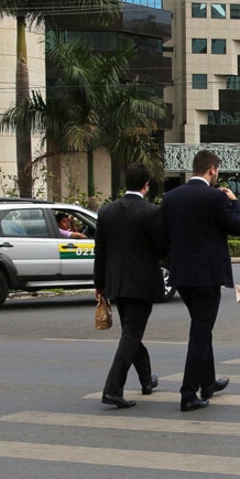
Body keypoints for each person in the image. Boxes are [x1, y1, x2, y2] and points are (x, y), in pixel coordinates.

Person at [160, 150, 240, 411]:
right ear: (212, 170)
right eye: (217, 170)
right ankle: (188, 392)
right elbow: (237, 227)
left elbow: (162, 235)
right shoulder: (215, 197)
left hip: (182, 276)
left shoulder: (170, 198)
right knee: (200, 331)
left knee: (201, 326)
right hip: (207, 276)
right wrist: (235, 202)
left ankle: (208, 382)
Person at [93, 163, 164, 409]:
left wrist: (99, 285)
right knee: (132, 334)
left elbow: (99, 253)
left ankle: (146, 379)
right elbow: (162, 249)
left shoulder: (106, 212)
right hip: (142, 284)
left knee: (131, 333)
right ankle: (113, 389)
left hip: (116, 283)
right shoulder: (151, 212)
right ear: (146, 185)